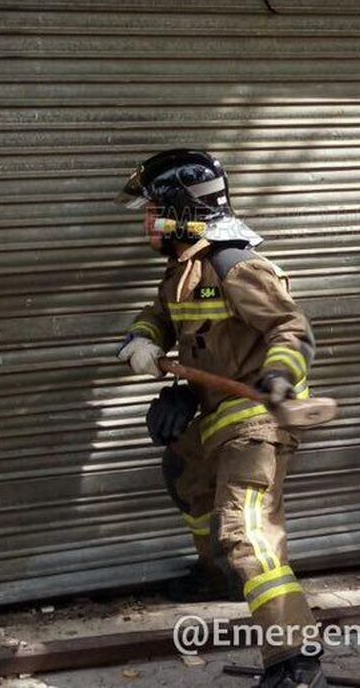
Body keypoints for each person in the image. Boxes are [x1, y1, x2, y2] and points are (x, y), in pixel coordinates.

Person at [115, 149, 325, 688]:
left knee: (247, 529)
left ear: (180, 211)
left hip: (257, 416)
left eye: (152, 211)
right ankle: (219, 574)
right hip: (214, 408)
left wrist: (278, 376)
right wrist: (146, 338)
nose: (145, 224)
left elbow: (291, 329)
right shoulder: (185, 267)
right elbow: (164, 313)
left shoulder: (236, 265)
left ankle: (294, 656)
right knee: (183, 476)